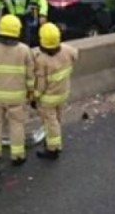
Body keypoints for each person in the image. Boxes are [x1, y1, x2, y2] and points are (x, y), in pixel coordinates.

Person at [0, 15, 35, 166]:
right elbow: (30, 76)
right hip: (17, 97)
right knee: (17, 125)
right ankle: (18, 155)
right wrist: (30, 92)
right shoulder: (24, 50)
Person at [33, 22, 78, 160]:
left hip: (48, 98)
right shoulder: (67, 50)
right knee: (57, 118)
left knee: (50, 122)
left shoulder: (42, 60)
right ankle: (54, 140)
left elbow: (40, 85)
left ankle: (53, 148)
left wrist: (34, 97)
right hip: (63, 93)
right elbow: (75, 54)